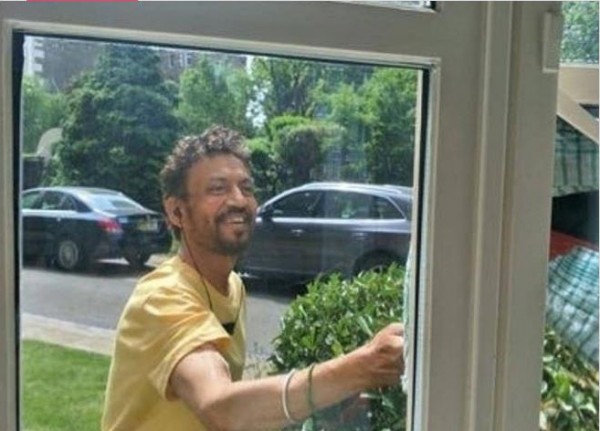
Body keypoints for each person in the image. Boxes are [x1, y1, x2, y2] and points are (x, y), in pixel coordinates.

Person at [101, 125, 405, 431]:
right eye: (218, 189)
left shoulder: (232, 286)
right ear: (176, 211)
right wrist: (361, 366)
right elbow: (220, 408)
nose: (239, 200)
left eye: (246, 188)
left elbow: (235, 405)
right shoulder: (162, 297)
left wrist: (328, 402)